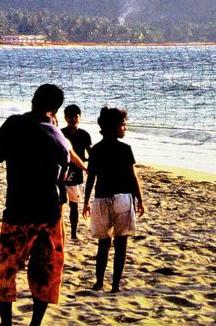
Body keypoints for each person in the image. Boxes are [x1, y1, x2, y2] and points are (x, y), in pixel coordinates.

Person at [0, 83, 71, 326]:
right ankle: (35, 324)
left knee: (5, 271)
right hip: (48, 213)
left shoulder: (14, 124)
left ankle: (6, 324)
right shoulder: (58, 136)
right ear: (54, 110)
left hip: (18, 210)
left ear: (33, 99)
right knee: (46, 273)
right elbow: (63, 174)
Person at [82, 106, 144, 293]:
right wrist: (140, 199)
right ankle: (115, 285)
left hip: (101, 198)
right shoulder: (125, 149)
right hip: (123, 198)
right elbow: (132, 177)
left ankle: (99, 282)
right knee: (121, 244)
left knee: (103, 244)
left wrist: (86, 202)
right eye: (123, 125)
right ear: (116, 127)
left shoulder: (96, 150)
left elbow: (91, 178)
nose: (125, 128)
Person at [61, 104, 92, 241]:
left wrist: (90, 166)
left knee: (74, 205)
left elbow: (90, 153)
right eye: (70, 117)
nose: (73, 119)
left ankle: (73, 233)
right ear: (65, 118)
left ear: (79, 117)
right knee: (59, 205)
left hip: (77, 174)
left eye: (75, 116)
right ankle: (60, 231)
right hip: (62, 173)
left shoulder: (84, 135)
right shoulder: (60, 133)